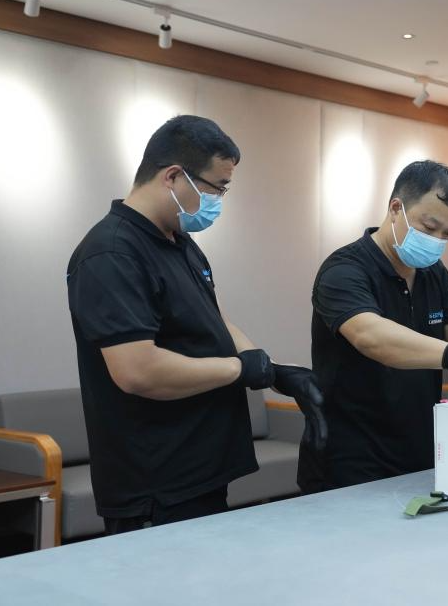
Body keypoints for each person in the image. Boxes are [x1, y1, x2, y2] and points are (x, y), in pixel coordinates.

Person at [67, 115, 326, 534]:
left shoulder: (180, 243)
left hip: (202, 470)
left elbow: (215, 319)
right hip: (156, 484)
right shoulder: (112, 253)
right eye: (217, 188)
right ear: (173, 176)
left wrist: (270, 370)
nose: (219, 200)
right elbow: (137, 370)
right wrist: (239, 370)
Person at [300, 160, 448, 492]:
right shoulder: (344, 270)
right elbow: (371, 336)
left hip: (417, 452)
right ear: (396, 208)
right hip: (351, 457)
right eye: (429, 227)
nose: (437, 240)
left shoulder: (432, 273)